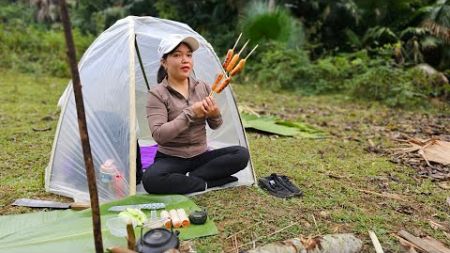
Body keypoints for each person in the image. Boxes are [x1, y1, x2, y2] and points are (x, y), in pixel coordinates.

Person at [142, 34, 249, 194]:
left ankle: (187, 179)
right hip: (171, 158)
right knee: (150, 179)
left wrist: (214, 113)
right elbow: (159, 135)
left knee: (241, 154)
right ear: (164, 62)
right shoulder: (157, 94)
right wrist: (191, 113)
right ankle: (207, 183)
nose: (185, 60)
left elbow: (216, 124)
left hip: (201, 156)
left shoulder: (203, 87)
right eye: (177, 55)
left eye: (189, 55)